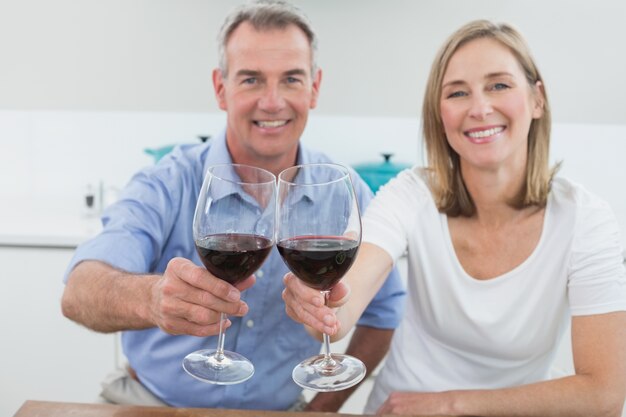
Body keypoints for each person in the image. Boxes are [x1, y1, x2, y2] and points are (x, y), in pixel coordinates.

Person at [60, 0, 405, 412]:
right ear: (221, 88)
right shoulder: (169, 181)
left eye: (291, 79)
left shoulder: (345, 191)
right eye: (252, 80)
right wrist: (151, 298)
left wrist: (322, 408)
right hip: (149, 404)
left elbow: (384, 314)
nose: (273, 102)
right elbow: (79, 292)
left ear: (314, 88)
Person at [282, 19, 626, 416]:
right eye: (458, 92)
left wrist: (450, 405)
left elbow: (603, 394)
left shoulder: (585, 220)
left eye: (499, 85)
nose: (479, 108)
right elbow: (343, 303)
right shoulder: (410, 193)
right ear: (440, 114)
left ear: (537, 99)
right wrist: (319, 308)